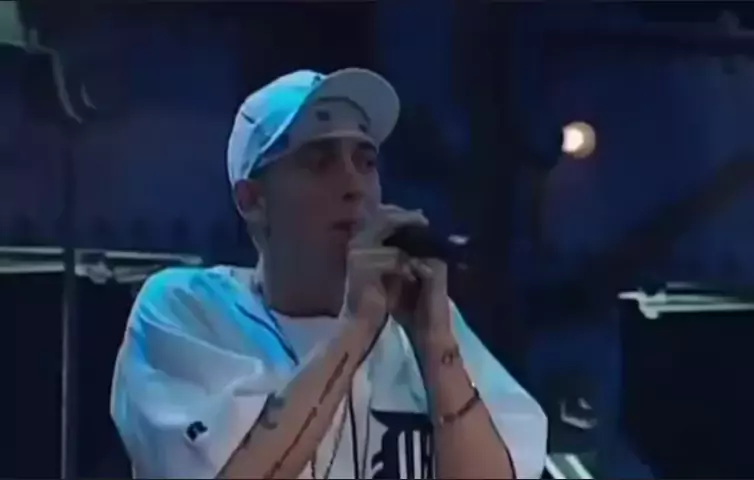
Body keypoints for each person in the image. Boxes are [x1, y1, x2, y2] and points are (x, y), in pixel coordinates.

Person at [110, 68, 547, 479]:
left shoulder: (423, 322)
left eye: (366, 162)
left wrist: (436, 350)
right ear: (253, 200)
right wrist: (355, 328)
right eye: (319, 162)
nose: (353, 185)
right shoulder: (187, 308)